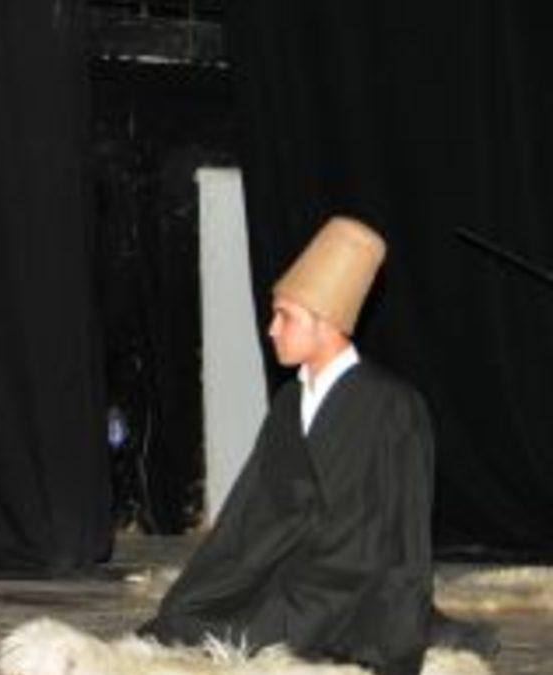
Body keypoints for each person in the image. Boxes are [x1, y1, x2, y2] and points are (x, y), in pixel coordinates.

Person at [135, 216, 495, 674]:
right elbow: (251, 512)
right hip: (286, 574)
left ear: (326, 323)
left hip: (351, 590)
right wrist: (221, 578)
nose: (272, 329)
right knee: (182, 616)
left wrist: (336, 602)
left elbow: (394, 531)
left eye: (285, 316)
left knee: (258, 633)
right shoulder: (290, 402)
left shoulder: (391, 406)